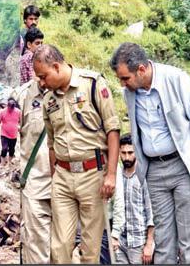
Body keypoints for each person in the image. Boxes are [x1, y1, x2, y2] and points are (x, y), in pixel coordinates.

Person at [112, 42, 190, 264]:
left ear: (141, 69)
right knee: (163, 244)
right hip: (154, 172)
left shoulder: (177, 80)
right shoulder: (129, 94)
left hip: (183, 169)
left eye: (125, 78)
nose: (122, 84)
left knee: (189, 243)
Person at [34, 44, 120, 263]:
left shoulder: (92, 84)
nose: (42, 83)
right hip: (62, 177)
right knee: (59, 246)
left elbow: (113, 130)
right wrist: (55, 177)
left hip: (93, 175)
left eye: (43, 76)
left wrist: (111, 175)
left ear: (56, 66)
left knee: (90, 249)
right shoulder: (48, 101)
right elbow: (52, 144)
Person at [13, 78, 52, 263]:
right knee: (35, 244)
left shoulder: (70, 91)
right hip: (35, 181)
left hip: (66, 181)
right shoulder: (23, 95)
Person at [110, 134, 154, 265]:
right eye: (123, 153)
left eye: (130, 152)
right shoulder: (116, 176)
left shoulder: (144, 176)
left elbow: (151, 213)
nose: (127, 157)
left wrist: (149, 244)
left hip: (139, 243)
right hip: (120, 241)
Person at [0, 97, 21, 164]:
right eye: (10, 108)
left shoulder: (18, 112)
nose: (11, 110)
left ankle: (9, 162)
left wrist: (20, 128)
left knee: (12, 150)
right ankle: (2, 163)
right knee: (4, 149)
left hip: (13, 135)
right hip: (4, 134)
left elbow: (21, 122)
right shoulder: (2, 112)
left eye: (12, 108)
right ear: (7, 106)